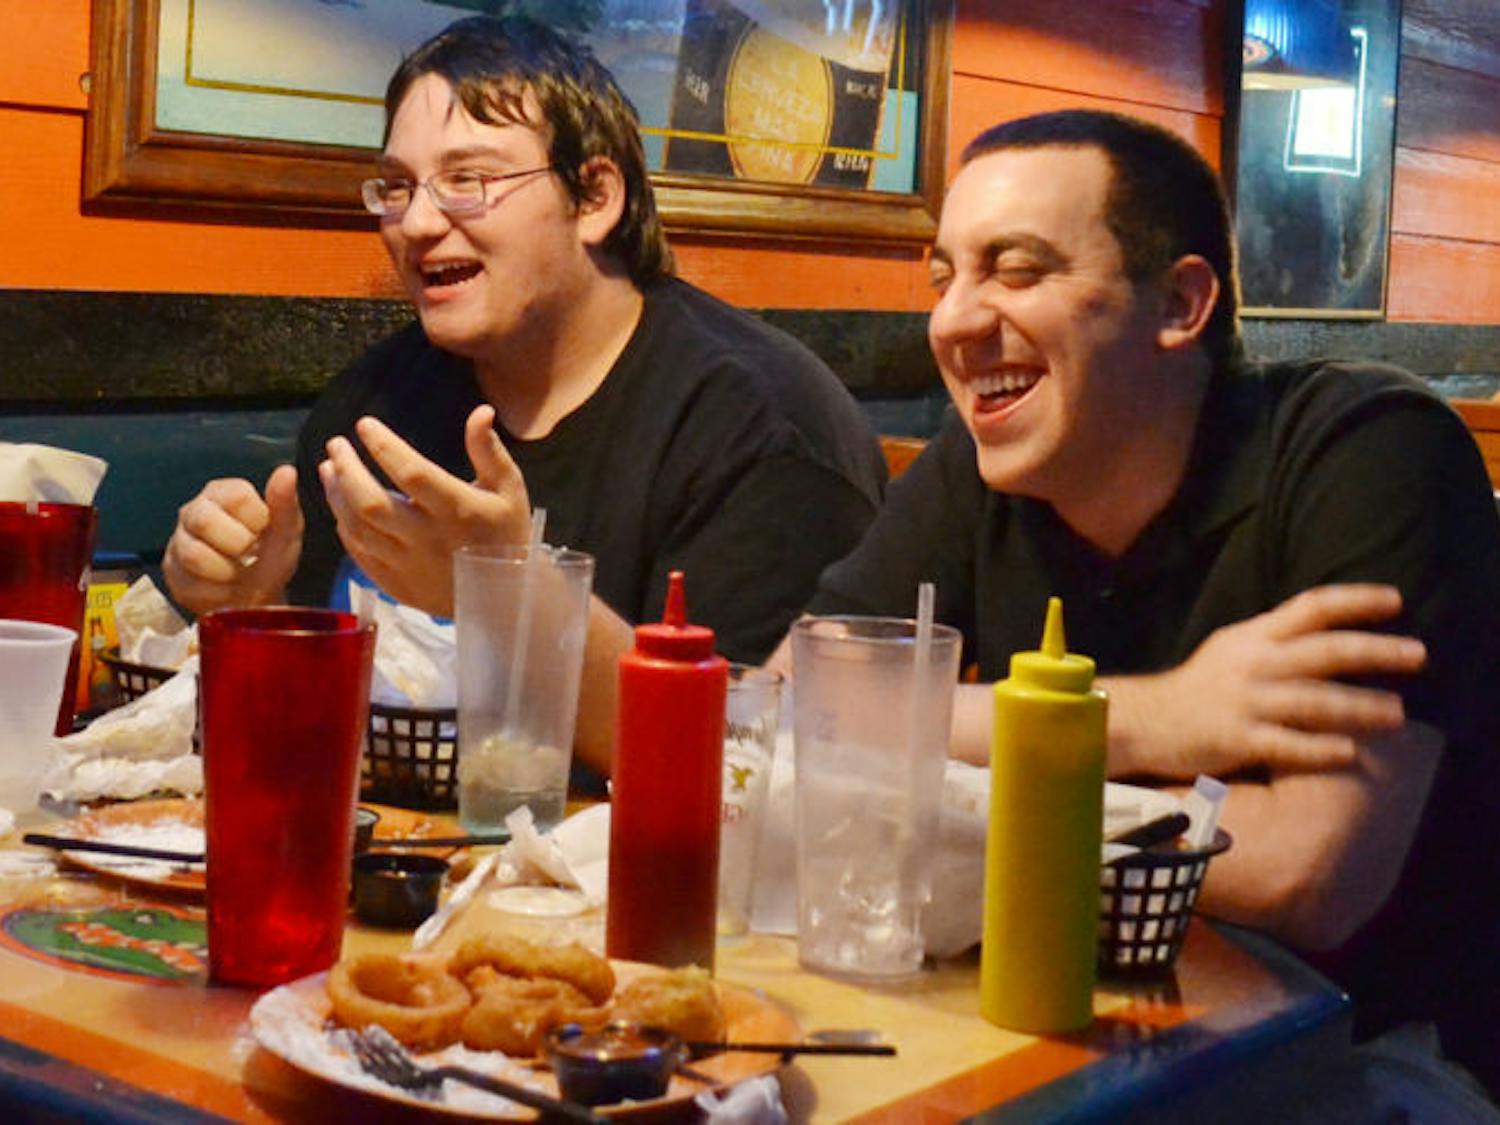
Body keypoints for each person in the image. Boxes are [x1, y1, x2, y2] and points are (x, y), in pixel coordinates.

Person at [794, 110, 1500, 1102]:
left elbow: (1307, 874)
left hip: (1373, 1055)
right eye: (945, 275)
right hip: (1065, 1014)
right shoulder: (984, 466)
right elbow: (792, 703)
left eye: (1018, 268)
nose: (954, 321)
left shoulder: (1368, 454)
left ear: (1178, 302)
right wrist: (1153, 718)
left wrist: (933, 780)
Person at [161, 15, 886, 775]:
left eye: (469, 181)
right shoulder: (376, 406)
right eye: (399, 187)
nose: (416, 222)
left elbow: (729, 767)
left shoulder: (766, 434)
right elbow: (319, 725)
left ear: (596, 196)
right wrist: (246, 605)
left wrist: (500, 590)